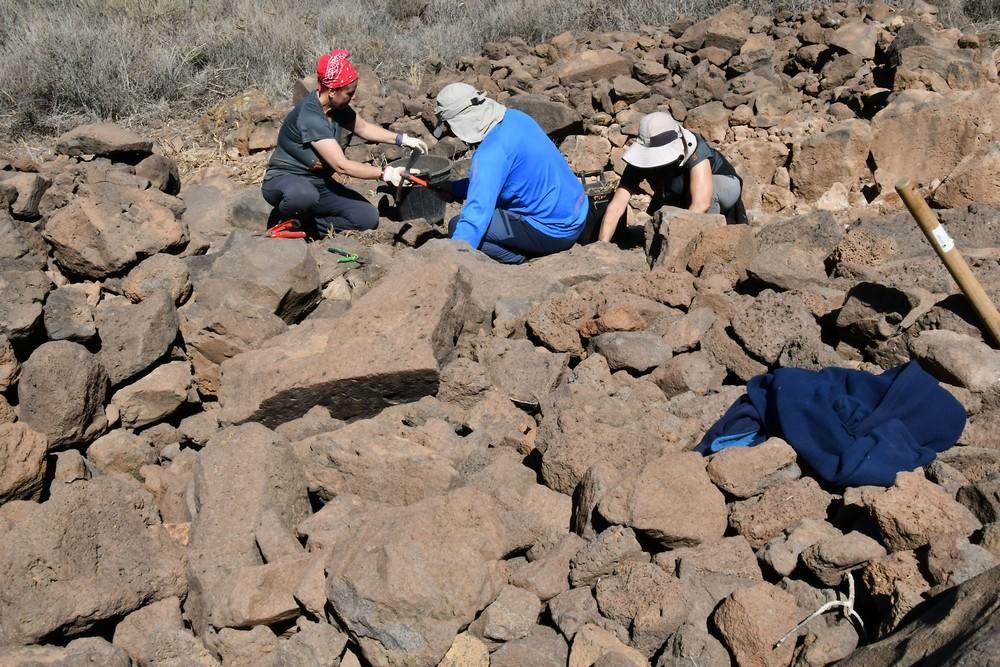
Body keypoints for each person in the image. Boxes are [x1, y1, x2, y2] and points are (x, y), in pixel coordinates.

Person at [262, 49, 428, 238]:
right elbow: (342, 166)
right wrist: (385, 174)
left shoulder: (338, 108)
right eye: (350, 93)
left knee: (366, 217)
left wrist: (402, 139)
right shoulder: (310, 117)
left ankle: (304, 228)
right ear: (332, 91)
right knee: (304, 196)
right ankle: (282, 220)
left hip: (319, 184)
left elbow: (364, 128)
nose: (354, 97)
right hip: (286, 180)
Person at [433, 82, 589, 264]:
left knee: (456, 225)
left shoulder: (490, 154)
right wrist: (455, 189)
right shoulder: (516, 118)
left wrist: (448, 261)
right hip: (577, 213)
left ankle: (519, 257)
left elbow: (477, 214)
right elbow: (505, 180)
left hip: (554, 232)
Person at [598, 111, 745, 243]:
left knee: (711, 189)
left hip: (724, 187)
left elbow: (701, 204)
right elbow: (616, 207)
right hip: (679, 194)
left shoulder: (693, 148)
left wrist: (679, 244)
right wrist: (602, 245)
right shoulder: (640, 158)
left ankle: (708, 243)